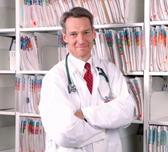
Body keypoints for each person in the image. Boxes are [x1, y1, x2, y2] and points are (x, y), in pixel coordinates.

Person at [39, 7, 135, 152]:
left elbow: (128, 112)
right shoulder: (54, 78)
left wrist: (85, 114)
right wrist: (106, 125)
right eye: (73, 34)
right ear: (64, 37)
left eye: (86, 32)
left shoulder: (111, 71)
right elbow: (65, 132)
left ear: (94, 33)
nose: (81, 40)